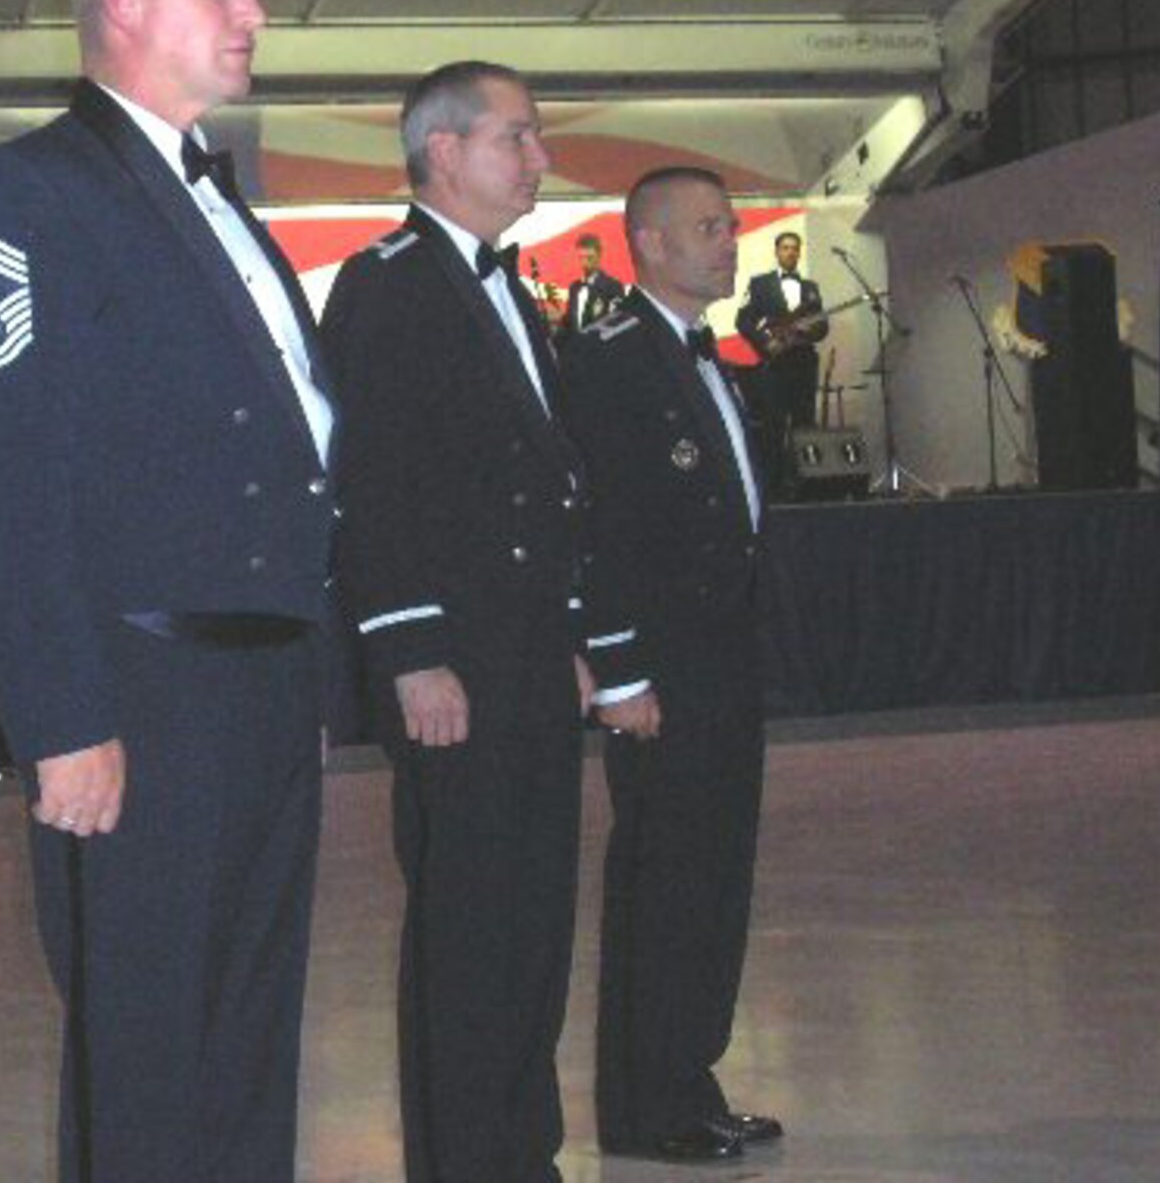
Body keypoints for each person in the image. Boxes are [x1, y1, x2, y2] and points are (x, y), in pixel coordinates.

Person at [0, 0, 340, 1183]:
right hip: (141, 687)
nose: (253, 14)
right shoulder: (30, 191)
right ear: (122, 2)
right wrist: (57, 715)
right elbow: (5, 473)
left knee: (248, 1033)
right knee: (144, 1043)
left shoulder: (220, 205)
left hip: (263, 678)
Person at [321, 61, 594, 1183]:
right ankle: (466, 1161)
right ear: (443, 152)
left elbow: (539, 485)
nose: (539, 159)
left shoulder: (501, 287)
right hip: (456, 661)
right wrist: (410, 650)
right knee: (472, 930)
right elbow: (371, 480)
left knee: (534, 920)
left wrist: (568, 635)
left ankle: (520, 1152)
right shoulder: (387, 286)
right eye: (515, 137)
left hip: (522, 653)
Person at [561, 167, 781, 1165]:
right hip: (664, 666)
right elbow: (598, 526)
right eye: (707, 228)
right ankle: (647, 1105)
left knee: (715, 879)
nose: (728, 242)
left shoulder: (701, 353)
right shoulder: (609, 358)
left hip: (723, 656)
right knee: (666, 882)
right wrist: (617, 668)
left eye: (729, 226)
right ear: (646, 242)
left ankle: (690, 1078)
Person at [735, 230, 827, 460]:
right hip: (774, 365)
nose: (790, 252)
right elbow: (743, 322)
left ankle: (804, 476)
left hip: (805, 364)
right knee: (773, 424)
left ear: (799, 253)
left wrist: (807, 331)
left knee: (805, 423)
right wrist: (765, 342)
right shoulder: (760, 284)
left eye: (795, 248)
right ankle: (774, 478)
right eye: (785, 248)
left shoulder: (811, 287)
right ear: (777, 252)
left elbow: (823, 327)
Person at [563, 231, 625, 338]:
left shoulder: (612, 286)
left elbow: (616, 324)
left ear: (599, 256)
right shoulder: (574, 288)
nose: (585, 263)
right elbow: (569, 323)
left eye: (589, 258)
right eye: (581, 258)